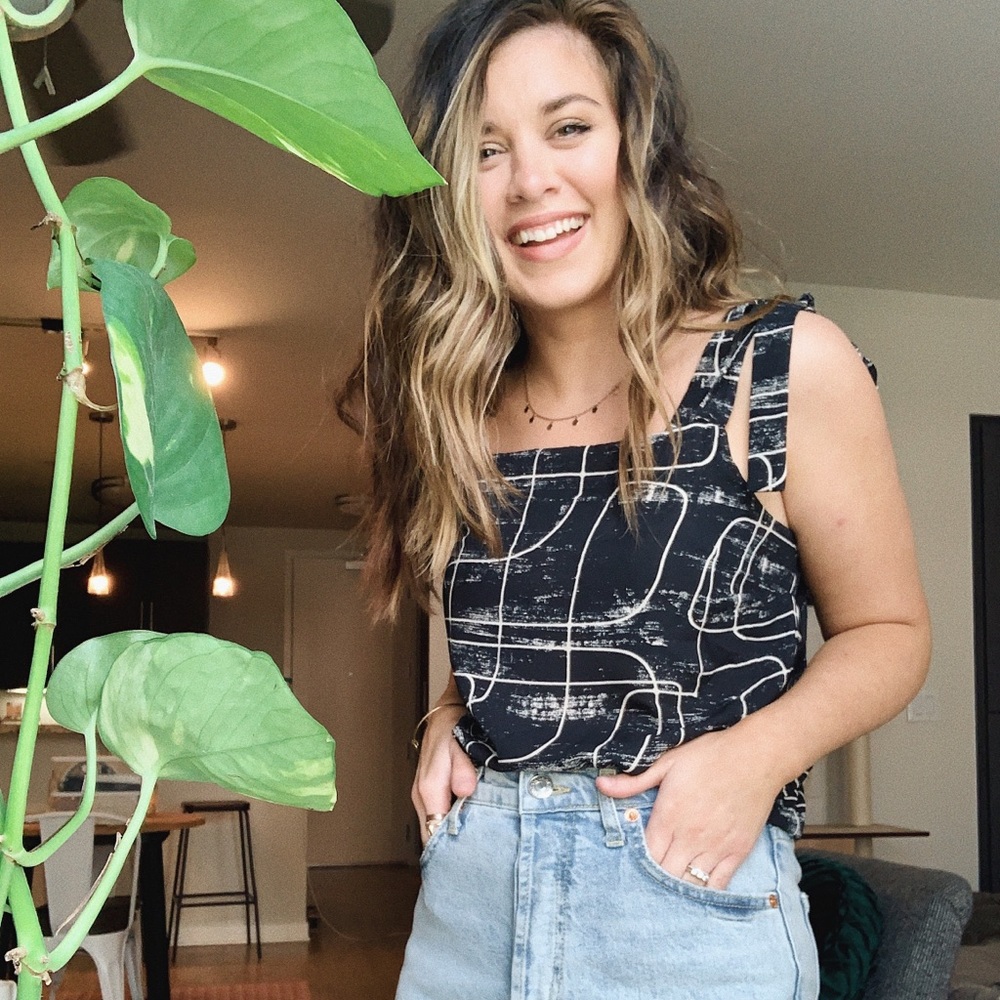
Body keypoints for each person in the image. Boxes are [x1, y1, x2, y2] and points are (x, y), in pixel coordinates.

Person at [339, 1, 930, 997]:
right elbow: (516, 635)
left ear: (635, 149)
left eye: (568, 127)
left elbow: (891, 630)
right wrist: (446, 714)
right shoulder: (452, 404)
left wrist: (754, 759)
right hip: (466, 907)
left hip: (686, 905)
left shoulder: (781, 365)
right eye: (486, 149)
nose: (532, 181)